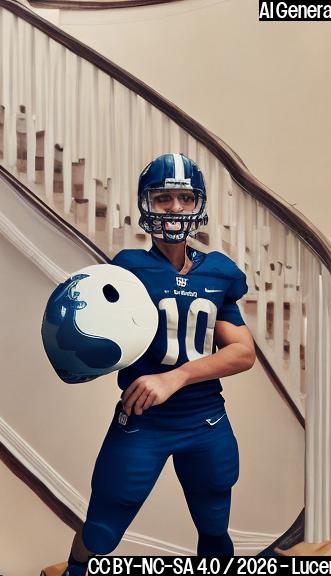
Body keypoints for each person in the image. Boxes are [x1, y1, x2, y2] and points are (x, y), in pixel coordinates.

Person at [62, 153, 255, 573]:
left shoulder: (219, 272)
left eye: (184, 198)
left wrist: (176, 377)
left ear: (198, 204)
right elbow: (97, 331)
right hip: (143, 420)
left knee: (214, 528)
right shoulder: (128, 268)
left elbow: (243, 352)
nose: (174, 208)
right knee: (101, 530)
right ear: (146, 204)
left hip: (206, 420)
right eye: (163, 198)